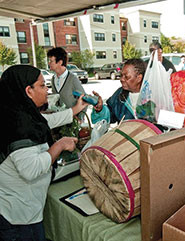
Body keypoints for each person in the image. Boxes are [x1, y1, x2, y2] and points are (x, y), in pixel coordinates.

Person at [0, 65, 88, 241]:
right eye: (42, 86)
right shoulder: (18, 127)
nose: (47, 90)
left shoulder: (18, 114)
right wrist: (60, 145)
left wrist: (76, 109)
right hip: (20, 218)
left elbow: (46, 121)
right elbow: (30, 169)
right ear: (28, 91)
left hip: (22, 209)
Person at [91, 58, 146, 124]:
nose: (121, 79)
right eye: (121, 75)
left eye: (126, 77)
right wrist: (100, 109)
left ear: (139, 78)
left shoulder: (152, 96)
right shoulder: (120, 94)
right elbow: (110, 116)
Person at [47, 47, 87, 118]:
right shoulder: (53, 79)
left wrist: (80, 118)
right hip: (60, 119)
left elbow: (84, 99)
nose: (48, 63)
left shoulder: (73, 79)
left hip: (73, 120)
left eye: (51, 61)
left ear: (60, 62)